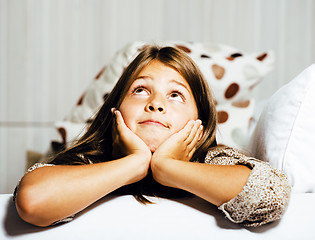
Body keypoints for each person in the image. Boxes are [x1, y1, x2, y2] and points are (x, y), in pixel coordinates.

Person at [14, 45, 291, 227]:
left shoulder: (212, 160)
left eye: (175, 95)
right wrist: (135, 163)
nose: (156, 104)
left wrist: (168, 167)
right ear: (116, 110)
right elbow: (33, 201)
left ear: (200, 122)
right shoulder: (92, 160)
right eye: (140, 90)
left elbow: (272, 196)